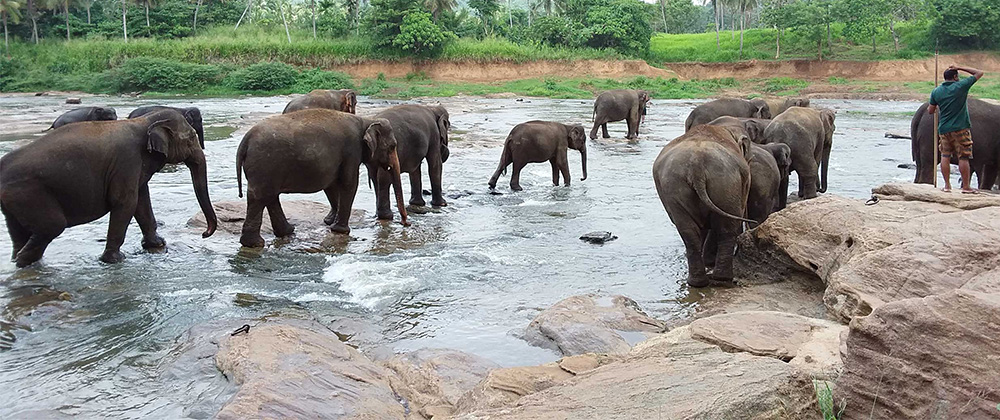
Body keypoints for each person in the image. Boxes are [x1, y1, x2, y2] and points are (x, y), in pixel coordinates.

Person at [928, 64, 985, 193]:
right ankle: (966, 187)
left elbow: (930, 110)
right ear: (955, 77)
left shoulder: (936, 91)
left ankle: (947, 186)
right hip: (961, 128)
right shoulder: (960, 86)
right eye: (957, 75)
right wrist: (959, 67)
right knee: (963, 157)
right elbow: (979, 72)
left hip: (944, 129)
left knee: (945, 155)